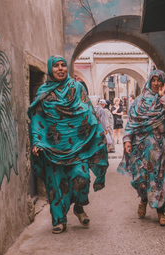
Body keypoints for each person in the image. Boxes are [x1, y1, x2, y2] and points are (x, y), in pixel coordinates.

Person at [28, 55, 108, 234]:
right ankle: (59, 220)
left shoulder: (77, 87)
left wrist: (96, 131)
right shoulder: (44, 90)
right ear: (50, 69)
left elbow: (88, 109)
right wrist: (37, 140)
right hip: (52, 145)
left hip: (77, 145)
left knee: (82, 178)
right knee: (55, 184)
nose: (60, 69)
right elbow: (38, 118)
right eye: (56, 66)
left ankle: (79, 207)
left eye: (63, 65)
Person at [117, 70, 165, 226]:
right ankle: (143, 199)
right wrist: (127, 140)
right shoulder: (138, 102)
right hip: (141, 147)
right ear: (149, 81)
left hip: (161, 148)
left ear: (164, 83)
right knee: (141, 178)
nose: (156, 83)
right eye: (154, 80)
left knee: (161, 180)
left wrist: (163, 97)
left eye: (160, 80)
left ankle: (160, 211)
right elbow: (131, 122)